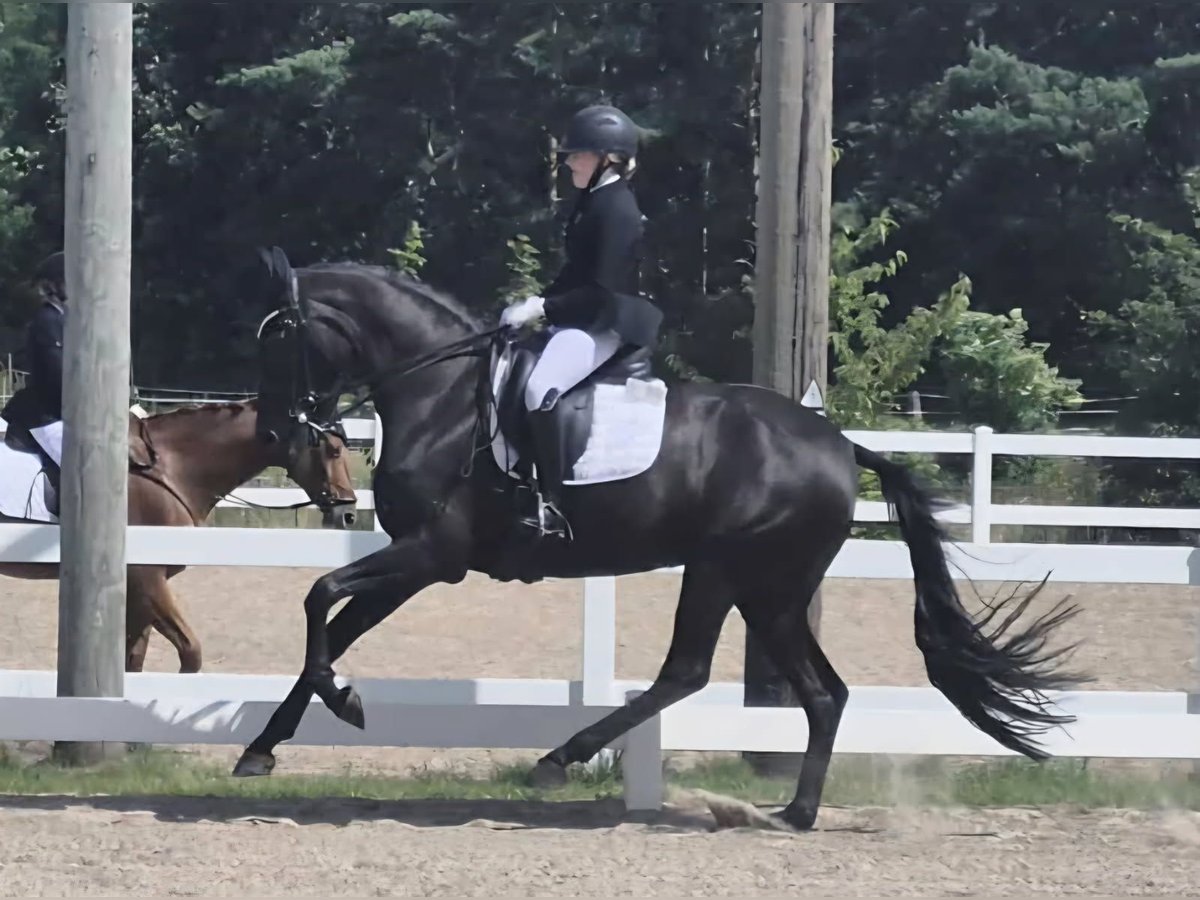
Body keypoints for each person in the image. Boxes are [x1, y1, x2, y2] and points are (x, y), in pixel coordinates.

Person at [500, 104, 664, 540]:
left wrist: (545, 310)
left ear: (608, 159)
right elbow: (575, 274)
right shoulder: (593, 201)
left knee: (539, 388)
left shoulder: (618, 210)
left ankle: (552, 502)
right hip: (586, 317)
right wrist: (538, 301)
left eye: (580, 154)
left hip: (606, 324)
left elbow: (601, 289)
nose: (570, 160)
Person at [2, 251, 67, 491]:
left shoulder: (65, 319)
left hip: (61, 414)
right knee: (83, 466)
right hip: (46, 417)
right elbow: (58, 374)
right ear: (54, 285)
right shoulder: (47, 320)